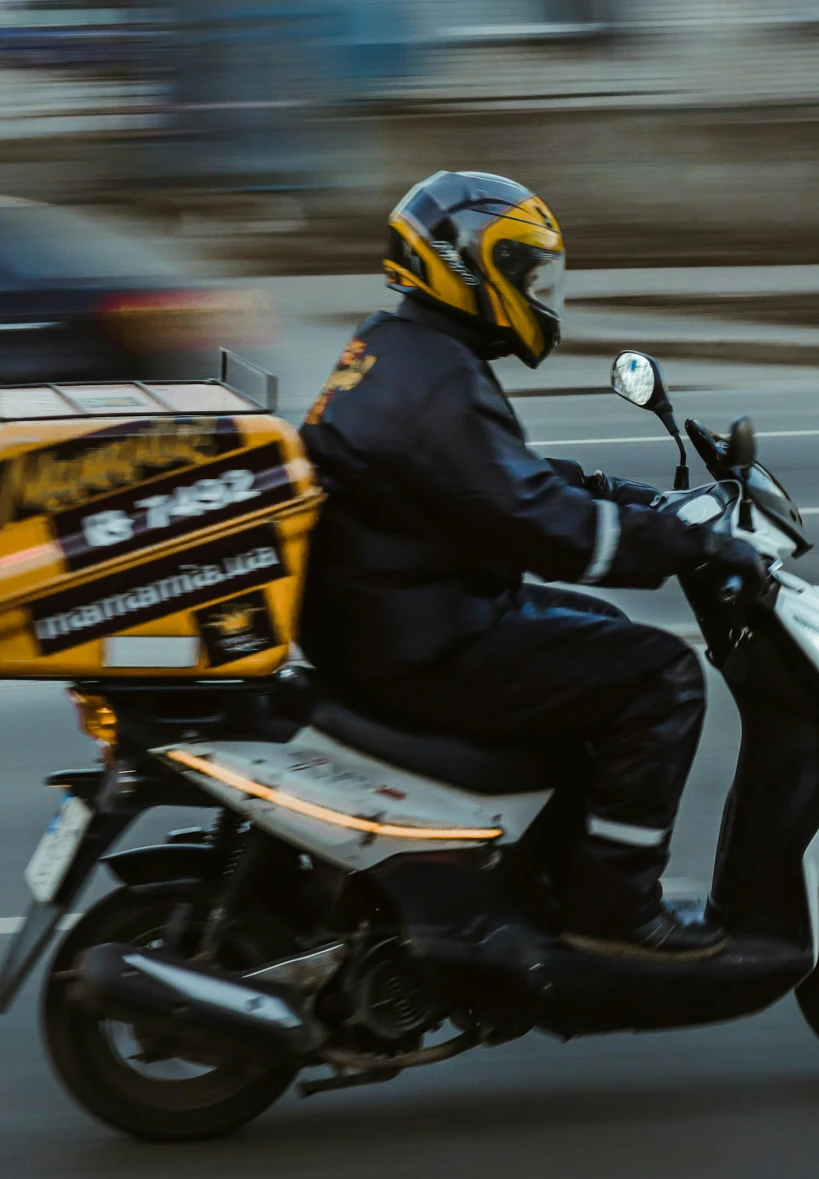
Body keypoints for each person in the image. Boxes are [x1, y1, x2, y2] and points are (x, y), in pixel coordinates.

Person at [297, 170, 767, 960]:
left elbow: (479, 478)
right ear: (467, 266)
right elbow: (540, 525)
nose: (538, 292)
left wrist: (610, 490)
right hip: (423, 641)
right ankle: (616, 908)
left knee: (602, 631)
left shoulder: (397, 347)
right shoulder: (439, 376)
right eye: (524, 271)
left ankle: (546, 868)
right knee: (661, 677)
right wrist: (694, 544)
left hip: (388, 620)